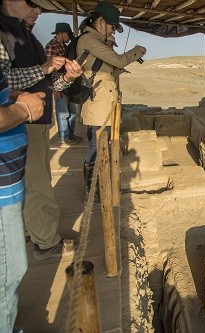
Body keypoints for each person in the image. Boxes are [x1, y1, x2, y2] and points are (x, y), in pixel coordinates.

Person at [0, 0, 83, 260]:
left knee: (31, 182)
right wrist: (44, 68)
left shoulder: (24, 35)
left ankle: (30, 230)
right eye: (32, 3)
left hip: (34, 120)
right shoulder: (6, 34)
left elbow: (47, 83)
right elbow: (5, 81)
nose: (38, 10)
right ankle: (46, 242)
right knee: (38, 185)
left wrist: (67, 78)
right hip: (21, 121)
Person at [77, 1, 146, 199]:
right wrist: (136, 52)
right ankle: (93, 191)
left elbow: (108, 67)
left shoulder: (95, 41)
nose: (112, 30)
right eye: (112, 26)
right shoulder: (90, 40)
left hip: (103, 102)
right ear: (100, 21)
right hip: (98, 103)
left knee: (100, 146)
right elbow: (117, 60)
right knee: (96, 148)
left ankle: (98, 187)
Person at [0, 71, 44, 333]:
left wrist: (14, 99)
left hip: (9, 182)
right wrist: (23, 109)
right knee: (7, 274)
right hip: (2, 190)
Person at [44, 22, 83, 145]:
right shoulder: (51, 46)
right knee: (63, 112)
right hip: (58, 84)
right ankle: (64, 136)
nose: (68, 37)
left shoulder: (64, 47)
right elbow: (48, 69)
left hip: (68, 84)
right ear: (60, 33)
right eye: (67, 34)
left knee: (72, 112)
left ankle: (70, 135)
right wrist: (54, 88)